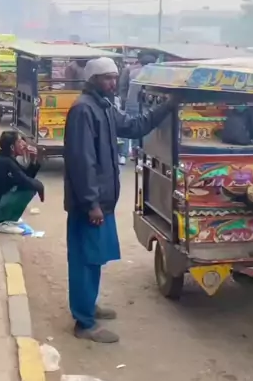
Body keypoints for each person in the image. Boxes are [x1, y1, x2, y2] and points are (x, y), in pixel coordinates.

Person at [64, 56, 172, 344]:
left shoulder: (104, 106)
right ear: (93, 80)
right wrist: (91, 204)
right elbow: (82, 162)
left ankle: (89, 306)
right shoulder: (83, 110)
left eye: (114, 77)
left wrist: (167, 107)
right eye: (107, 78)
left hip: (102, 201)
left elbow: (135, 126)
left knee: (95, 258)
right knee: (85, 261)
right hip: (89, 205)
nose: (114, 83)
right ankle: (84, 323)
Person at [0, 131, 44, 233]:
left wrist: (33, 160)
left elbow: (25, 177)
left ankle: (8, 219)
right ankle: (1, 222)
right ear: (12, 147)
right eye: (20, 141)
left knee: (29, 186)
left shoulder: (6, 158)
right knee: (30, 188)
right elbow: (25, 181)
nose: (24, 144)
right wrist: (40, 186)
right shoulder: (5, 162)